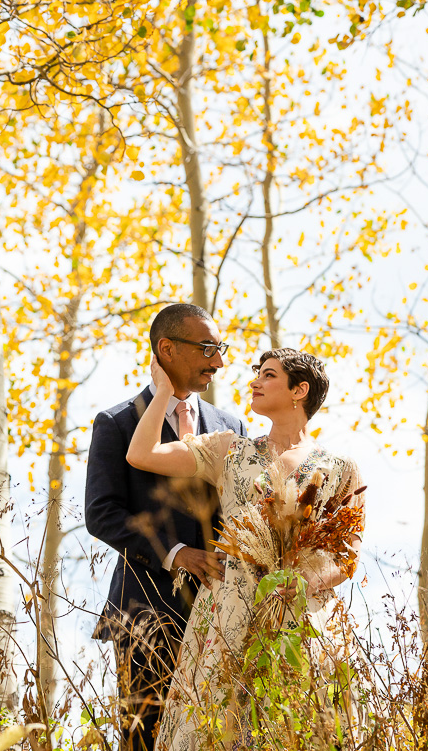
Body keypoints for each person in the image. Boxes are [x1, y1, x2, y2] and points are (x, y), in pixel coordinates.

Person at [127, 347, 365, 751]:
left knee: (299, 724)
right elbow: (141, 454)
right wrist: (164, 391)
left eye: (268, 374)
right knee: (217, 722)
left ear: (299, 390)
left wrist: (305, 581)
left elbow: (348, 552)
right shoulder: (229, 450)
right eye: (257, 372)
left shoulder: (341, 467)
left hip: (301, 612)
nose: (254, 380)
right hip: (228, 606)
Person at [85, 304, 248, 751]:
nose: (219, 361)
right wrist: (176, 553)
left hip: (220, 612)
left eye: (221, 349)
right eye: (208, 348)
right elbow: (101, 514)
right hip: (144, 613)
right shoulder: (116, 424)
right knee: (146, 741)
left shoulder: (231, 427)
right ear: (166, 349)